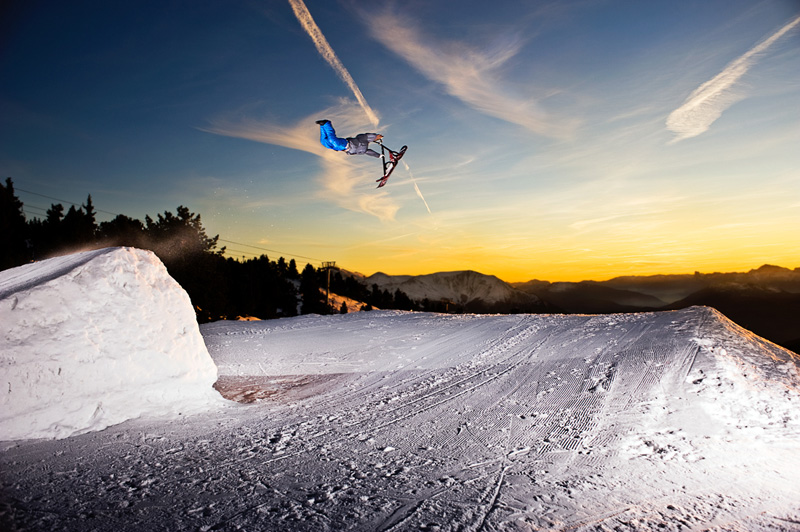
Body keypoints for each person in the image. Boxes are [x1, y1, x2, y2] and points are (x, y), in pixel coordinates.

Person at [316, 119, 384, 159]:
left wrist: (378, 155)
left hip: (343, 147)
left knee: (324, 141)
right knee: (330, 141)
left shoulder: (363, 148)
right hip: (346, 144)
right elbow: (367, 137)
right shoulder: (361, 139)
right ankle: (326, 124)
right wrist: (379, 155)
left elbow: (369, 152)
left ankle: (323, 125)